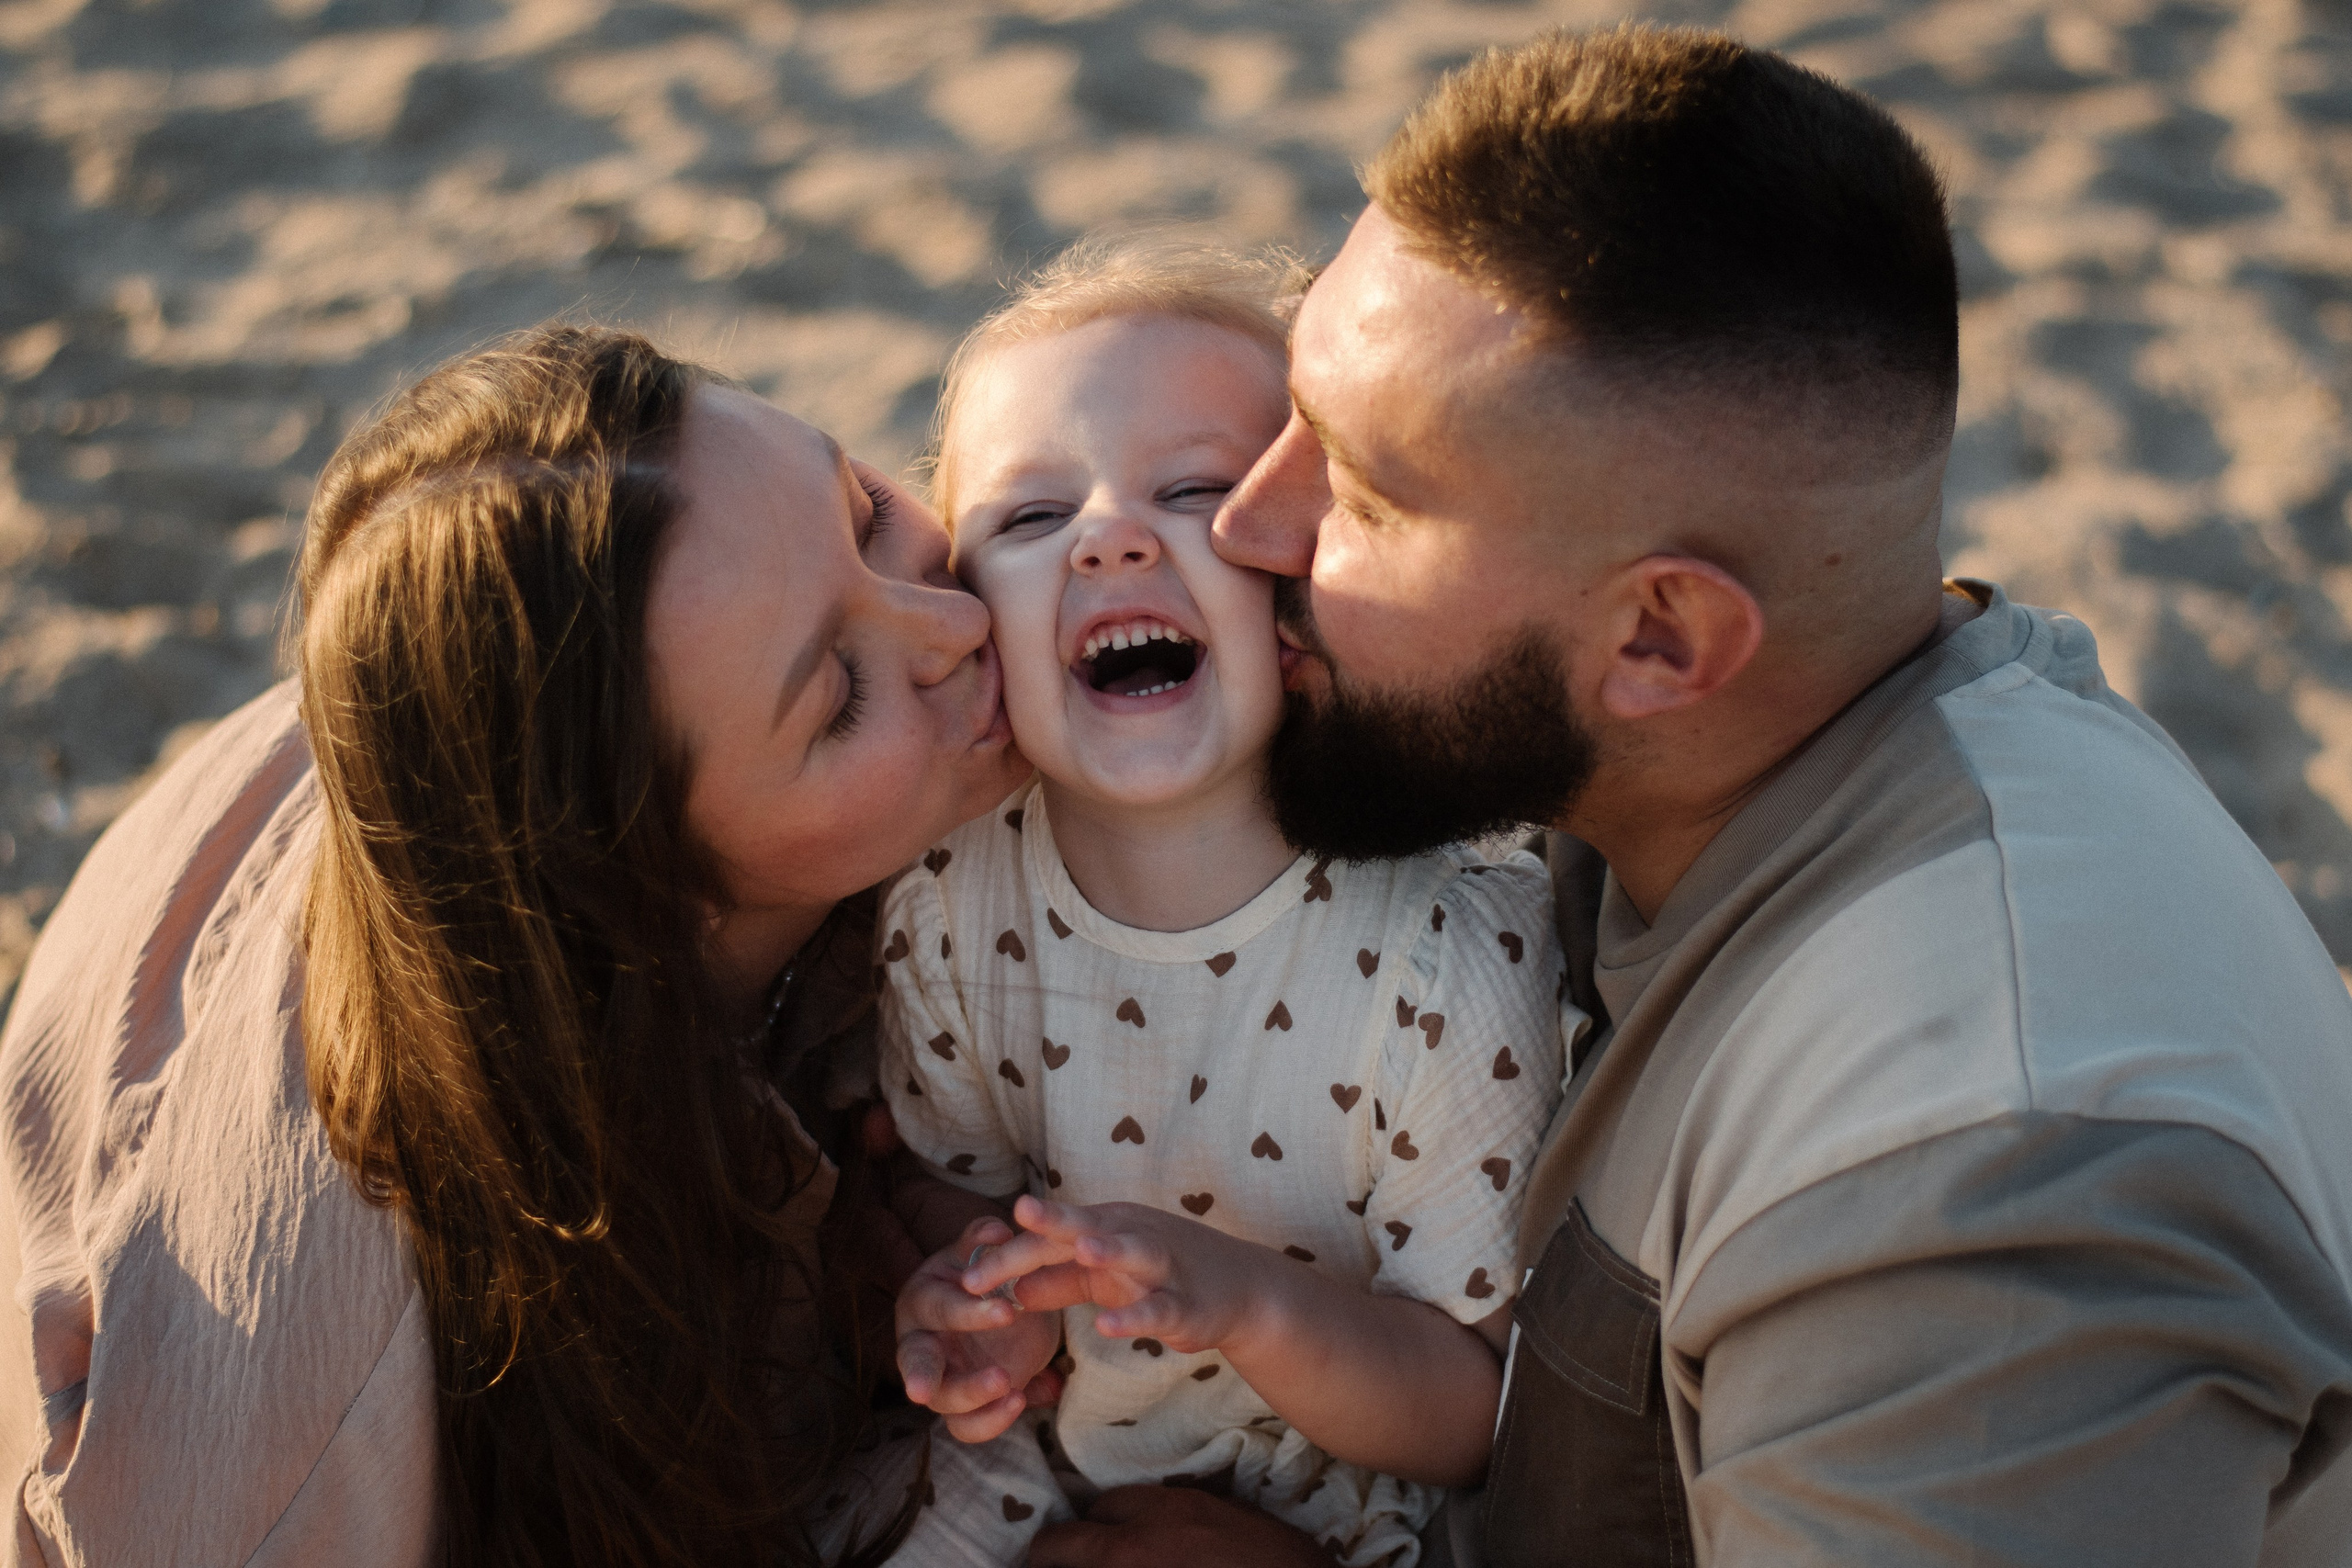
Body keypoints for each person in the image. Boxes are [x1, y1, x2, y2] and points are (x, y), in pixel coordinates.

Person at [1026, 23, 2352, 1568]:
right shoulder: (1750, 755)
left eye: (1364, 491)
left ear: (1662, 638)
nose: (1256, 526)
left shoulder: (1979, 1207)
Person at [0, 322, 1031, 1565]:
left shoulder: (565, 683)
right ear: (651, 893)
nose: (953, 620)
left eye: (863, 509)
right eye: (841, 698)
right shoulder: (316, 1419)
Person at [873, 240, 1572, 1568]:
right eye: (1028, 519)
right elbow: (939, 1176)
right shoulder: (953, 896)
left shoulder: (1447, 956)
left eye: (1193, 489)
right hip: (1043, 1454)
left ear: (1308, 588)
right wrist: (979, 1295)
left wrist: (1247, 1304)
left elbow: (1475, 1409)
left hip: (1336, 1503)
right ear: (965, 624)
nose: (1110, 534)